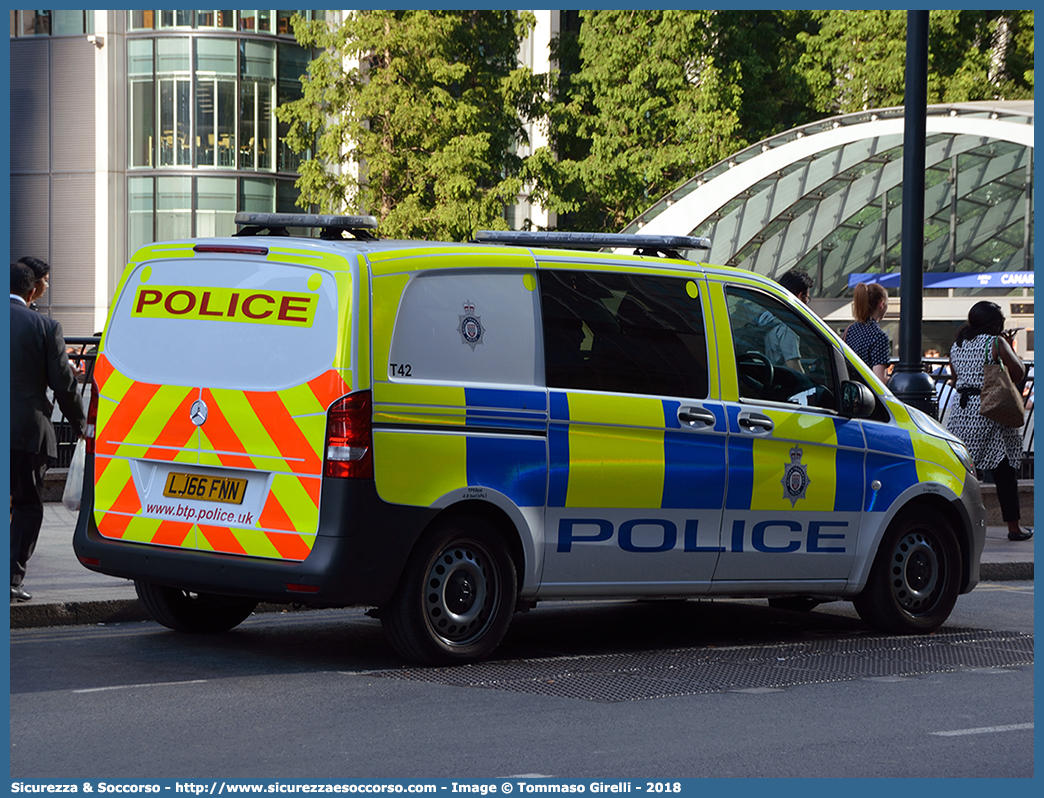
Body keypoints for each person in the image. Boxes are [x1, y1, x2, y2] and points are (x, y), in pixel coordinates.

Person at [10, 260, 87, 601]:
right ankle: (11, 578)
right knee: (28, 503)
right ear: (31, 290)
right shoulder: (44, 327)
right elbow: (63, 384)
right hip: (26, 431)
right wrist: (82, 425)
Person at [945, 301, 1031, 542]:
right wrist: (1009, 345)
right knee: (1004, 472)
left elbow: (956, 376)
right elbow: (1018, 372)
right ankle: (1014, 528)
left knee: (962, 470)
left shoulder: (957, 345)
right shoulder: (995, 343)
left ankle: (956, 525)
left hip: (963, 411)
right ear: (994, 324)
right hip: (991, 410)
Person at [844, 282, 890, 381]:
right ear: (881, 304)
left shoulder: (850, 330)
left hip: (848, 390)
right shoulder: (879, 336)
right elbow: (879, 380)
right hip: (865, 394)